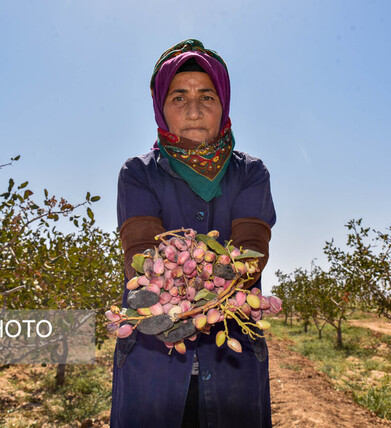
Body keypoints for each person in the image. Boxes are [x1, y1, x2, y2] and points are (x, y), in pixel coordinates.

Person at [112, 39, 276, 428]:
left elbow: (250, 254)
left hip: (232, 363)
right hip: (151, 361)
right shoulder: (138, 173)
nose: (195, 110)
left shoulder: (251, 173)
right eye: (179, 98)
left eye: (207, 97)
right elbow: (143, 259)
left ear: (224, 105)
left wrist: (190, 289)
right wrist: (204, 286)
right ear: (161, 108)